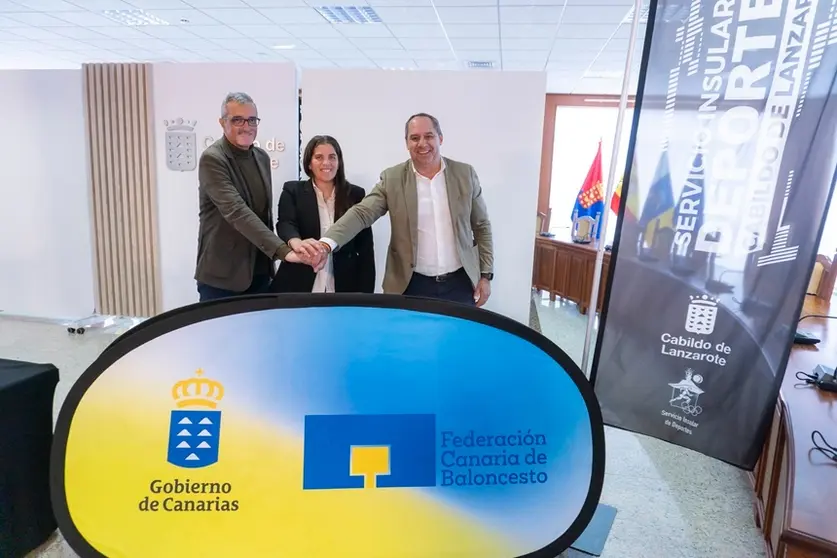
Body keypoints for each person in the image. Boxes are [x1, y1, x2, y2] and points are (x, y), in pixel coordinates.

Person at [302, 113, 493, 306]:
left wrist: (486, 275)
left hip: (459, 285)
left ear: (440, 138)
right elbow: (362, 213)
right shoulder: (392, 178)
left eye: (429, 136)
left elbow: (481, 225)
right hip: (411, 286)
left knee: (459, 328)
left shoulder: (465, 174)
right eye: (415, 138)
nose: (422, 143)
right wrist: (326, 244)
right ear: (407, 143)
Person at [195, 92, 313, 302]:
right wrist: (283, 251)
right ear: (222, 122)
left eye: (251, 120)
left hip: (259, 274)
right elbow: (237, 212)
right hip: (223, 279)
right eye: (237, 120)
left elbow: (264, 216)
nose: (246, 126)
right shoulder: (213, 159)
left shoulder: (261, 157)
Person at [270, 135, 375, 293]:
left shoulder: (355, 194)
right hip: (298, 282)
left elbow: (365, 247)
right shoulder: (293, 191)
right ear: (309, 163)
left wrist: (366, 294)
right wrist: (298, 244)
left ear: (339, 162)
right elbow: (285, 224)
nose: (326, 163)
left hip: (344, 284)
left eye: (332, 157)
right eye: (319, 157)